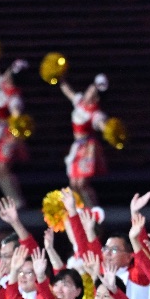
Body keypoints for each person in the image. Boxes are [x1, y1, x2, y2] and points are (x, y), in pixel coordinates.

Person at [58, 73, 112, 206]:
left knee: (82, 183)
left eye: (92, 92)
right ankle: (82, 211)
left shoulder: (95, 112)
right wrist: (59, 77)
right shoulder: (79, 102)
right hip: (77, 146)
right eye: (89, 89)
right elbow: (68, 91)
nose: (88, 93)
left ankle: (94, 211)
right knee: (74, 183)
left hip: (88, 147)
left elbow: (101, 124)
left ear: (97, 98)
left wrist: (107, 129)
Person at [0, 56, 29, 205]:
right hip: (1, 132)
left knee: (3, 166)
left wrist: (15, 136)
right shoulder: (4, 85)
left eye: (12, 72)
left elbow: (16, 116)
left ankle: (18, 200)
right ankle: (12, 199)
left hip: (9, 134)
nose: (9, 73)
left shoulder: (15, 98)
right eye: (10, 70)